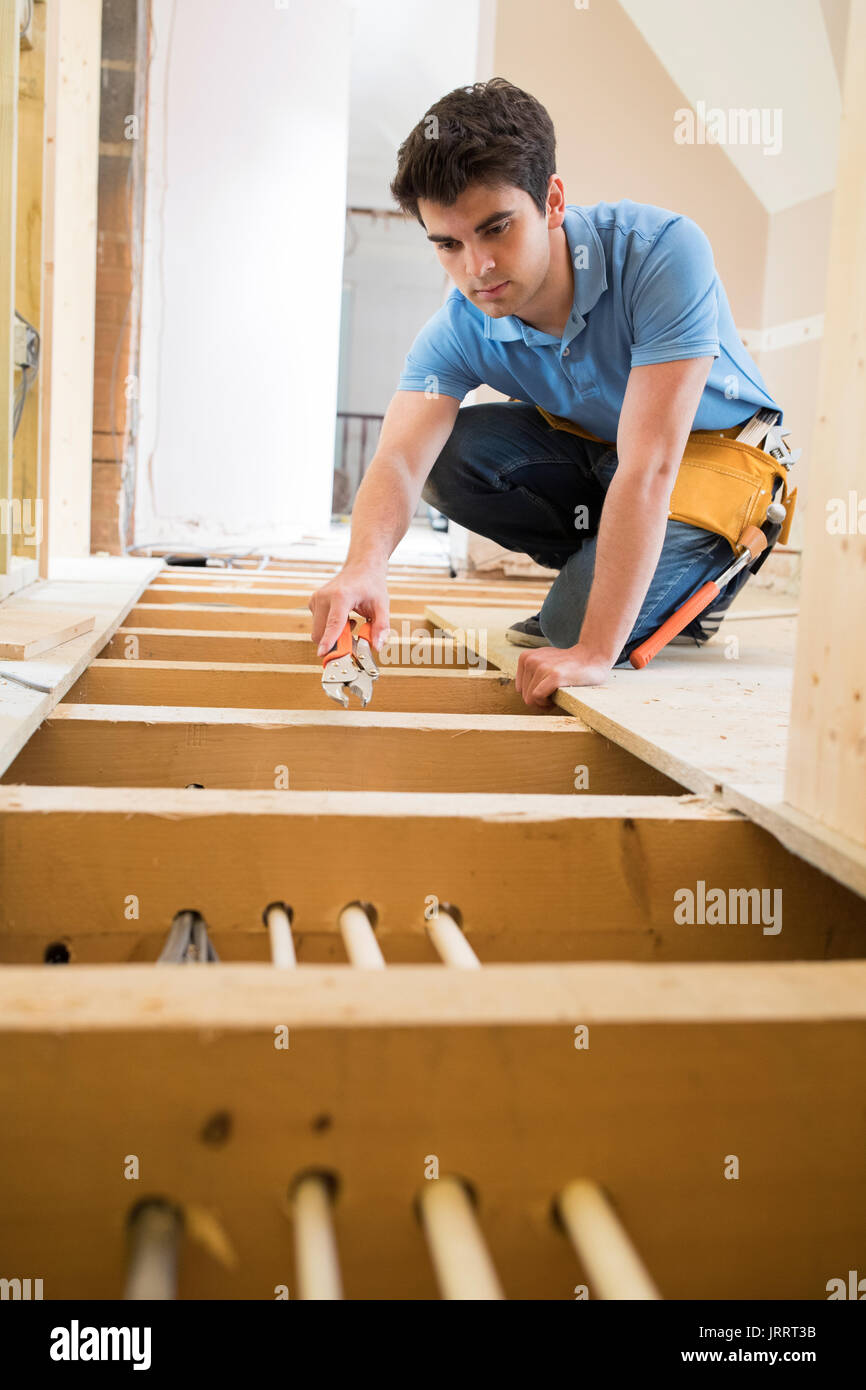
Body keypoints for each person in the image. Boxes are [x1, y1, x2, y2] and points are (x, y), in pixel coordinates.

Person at [309, 78, 784, 709]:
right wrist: (363, 565)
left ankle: (702, 585)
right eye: (448, 244)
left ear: (552, 199)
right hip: (602, 456)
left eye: (496, 228)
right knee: (445, 455)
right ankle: (612, 564)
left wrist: (592, 651)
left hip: (718, 457)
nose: (476, 267)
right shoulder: (457, 327)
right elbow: (399, 458)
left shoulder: (661, 254)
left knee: (571, 631)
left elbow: (650, 467)